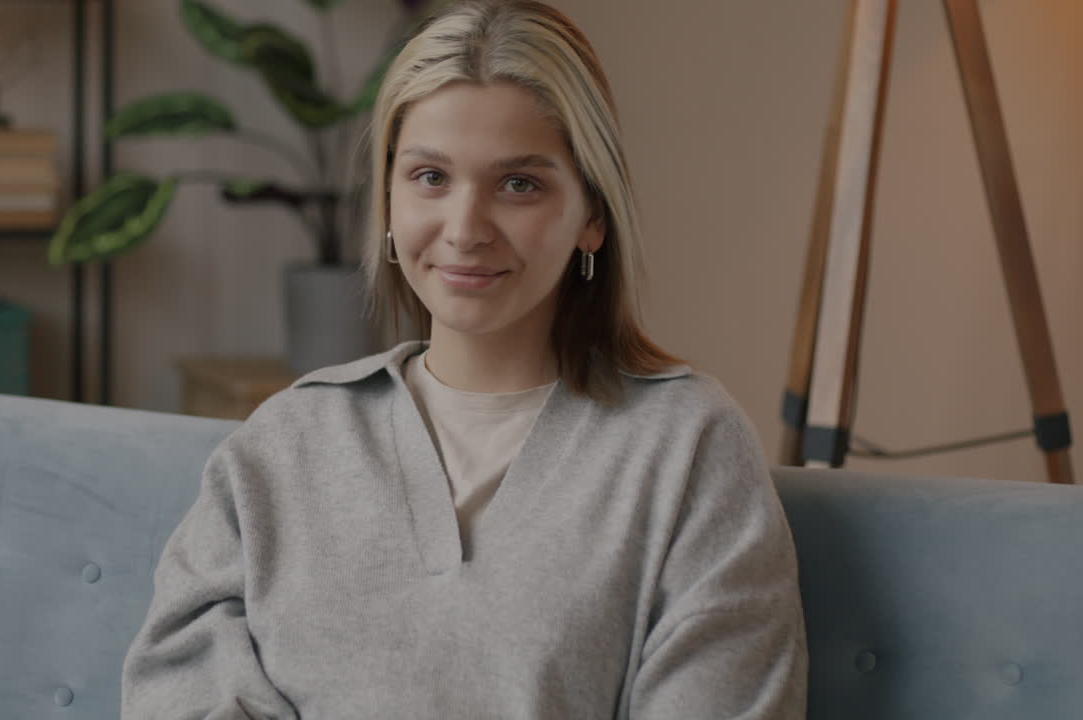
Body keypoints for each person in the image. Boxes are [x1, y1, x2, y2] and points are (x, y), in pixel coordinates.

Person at [121, 1, 808, 717]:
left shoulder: (686, 448)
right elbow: (180, 694)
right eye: (430, 177)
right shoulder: (282, 445)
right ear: (388, 200)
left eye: (520, 184)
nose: (465, 229)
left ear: (592, 217)